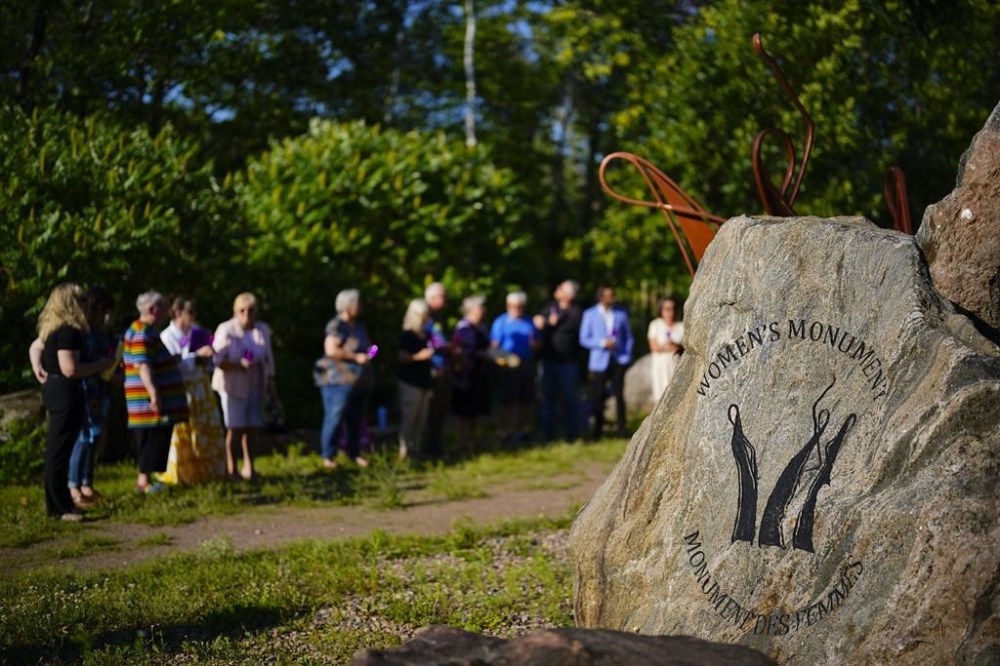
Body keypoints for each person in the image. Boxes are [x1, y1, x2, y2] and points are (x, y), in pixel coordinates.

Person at [29, 284, 115, 521]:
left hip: (57, 390)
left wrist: (37, 366)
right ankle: (59, 507)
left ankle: (62, 504)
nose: (84, 303)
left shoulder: (53, 329)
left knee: (61, 448)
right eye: (80, 299)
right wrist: (101, 365)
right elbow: (70, 368)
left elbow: (36, 346)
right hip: (65, 392)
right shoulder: (68, 331)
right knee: (59, 450)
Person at [124, 291, 189, 493]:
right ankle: (144, 482)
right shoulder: (143, 332)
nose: (166, 312)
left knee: (152, 438)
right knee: (152, 439)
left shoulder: (142, 330)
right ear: (152, 310)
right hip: (147, 402)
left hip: (146, 400)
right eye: (162, 308)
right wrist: (154, 393)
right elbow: (142, 364)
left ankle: (146, 479)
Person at [159, 296, 226, 484]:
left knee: (206, 432)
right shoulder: (167, 336)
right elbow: (171, 364)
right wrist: (195, 356)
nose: (193, 317)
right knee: (184, 433)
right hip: (182, 389)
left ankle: (210, 472)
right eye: (190, 312)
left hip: (202, 388)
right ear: (178, 312)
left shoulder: (197, 332)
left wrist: (209, 355)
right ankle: (185, 475)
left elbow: (210, 360)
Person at [212, 292, 274, 481]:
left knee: (253, 427)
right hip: (233, 386)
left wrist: (271, 380)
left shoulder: (261, 330)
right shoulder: (226, 329)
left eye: (251, 310)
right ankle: (232, 469)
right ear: (235, 311)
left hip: (255, 384)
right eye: (242, 310)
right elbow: (216, 359)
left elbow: (268, 357)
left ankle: (250, 467)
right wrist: (238, 364)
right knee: (235, 427)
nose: (247, 314)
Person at [65, 287, 116, 507]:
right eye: (103, 310)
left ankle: (87, 484)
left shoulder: (102, 333)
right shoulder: (80, 331)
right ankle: (73, 486)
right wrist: (99, 365)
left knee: (95, 437)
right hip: (85, 389)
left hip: (101, 388)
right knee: (83, 437)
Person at [314, 288, 373, 469]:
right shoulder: (336, 325)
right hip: (337, 380)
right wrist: (355, 357)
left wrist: (370, 353)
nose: (360, 306)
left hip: (358, 380)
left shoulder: (359, 326)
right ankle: (328, 456)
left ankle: (354, 453)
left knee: (356, 418)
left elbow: (368, 347)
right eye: (358, 303)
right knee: (335, 417)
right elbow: (331, 350)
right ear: (348, 305)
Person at [580, 285, 634, 439]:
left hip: (618, 359)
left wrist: (627, 356)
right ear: (601, 297)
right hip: (599, 361)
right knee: (597, 395)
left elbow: (628, 337)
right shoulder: (590, 314)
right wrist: (602, 343)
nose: (613, 297)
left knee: (619, 394)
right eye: (610, 295)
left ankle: (622, 429)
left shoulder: (621, 314)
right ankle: (597, 429)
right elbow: (584, 339)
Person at [533, 280, 583, 442]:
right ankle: (548, 434)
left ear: (568, 295)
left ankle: (571, 435)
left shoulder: (576, 312)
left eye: (560, 288)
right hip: (549, 361)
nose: (556, 289)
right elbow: (539, 319)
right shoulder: (550, 307)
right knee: (548, 398)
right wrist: (541, 320)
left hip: (568, 362)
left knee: (570, 398)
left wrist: (550, 322)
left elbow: (571, 330)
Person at [489, 291, 539, 442]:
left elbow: (537, 343)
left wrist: (534, 344)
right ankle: (505, 430)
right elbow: (494, 346)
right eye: (514, 307)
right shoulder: (500, 322)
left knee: (526, 399)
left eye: (520, 307)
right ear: (508, 306)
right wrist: (501, 358)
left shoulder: (529, 322)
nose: (517, 310)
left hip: (527, 363)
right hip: (508, 365)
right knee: (508, 400)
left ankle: (522, 430)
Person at [451, 295, 492, 449]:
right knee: (464, 409)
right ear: (472, 310)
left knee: (475, 408)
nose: (484, 310)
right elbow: (465, 350)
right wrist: (484, 354)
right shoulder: (464, 328)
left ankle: (473, 439)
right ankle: (463, 441)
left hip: (479, 373)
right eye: (481, 307)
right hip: (465, 374)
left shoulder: (481, 327)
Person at [396, 299, 435, 459]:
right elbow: (400, 356)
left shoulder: (426, 334)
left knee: (421, 418)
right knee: (410, 417)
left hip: (424, 380)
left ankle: (416, 448)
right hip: (410, 381)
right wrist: (419, 356)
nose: (427, 318)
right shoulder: (407, 335)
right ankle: (405, 450)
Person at [422, 282, 451, 456]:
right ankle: (421, 449)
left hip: (442, 368)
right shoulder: (423, 319)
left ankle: (435, 448)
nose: (446, 300)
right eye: (443, 296)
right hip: (428, 371)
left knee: (439, 412)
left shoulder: (440, 319)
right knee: (425, 414)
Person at [648, 296, 685, 403]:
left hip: (675, 367)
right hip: (660, 368)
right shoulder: (655, 325)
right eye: (667, 309)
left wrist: (670, 346)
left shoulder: (681, 326)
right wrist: (673, 347)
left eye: (672, 308)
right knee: (660, 398)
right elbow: (654, 347)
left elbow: (683, 347)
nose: (670, 312)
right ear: (661, 310)